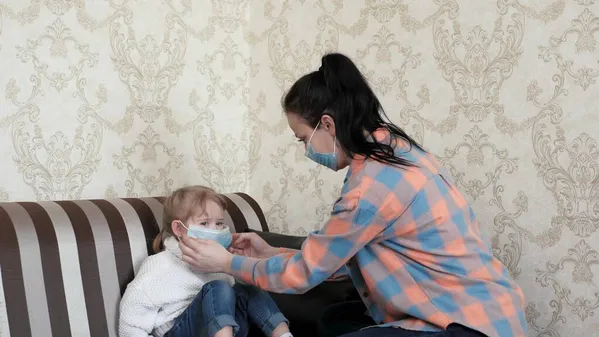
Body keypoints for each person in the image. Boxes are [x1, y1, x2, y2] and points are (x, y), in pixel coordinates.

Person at [178, 53, 527, 337]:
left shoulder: (371, 185)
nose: (305, 150)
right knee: (335, 319)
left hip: (465, 324)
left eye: (303, 139)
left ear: (327, 125)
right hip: (492, 313)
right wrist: (271, 252)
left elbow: (304, 274)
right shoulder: (394, 149)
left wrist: (227, 263)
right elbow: (340, 258)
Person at [118, 185, 293, 337]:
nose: (215, 230)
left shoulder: (222, 261)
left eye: (219, 223)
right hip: (179, 331)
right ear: (179, 228)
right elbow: (130, 323)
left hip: (226, 328)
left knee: (248, 287)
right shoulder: (159, 266)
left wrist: (246, 261)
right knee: (218, 287)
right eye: (204, 223)